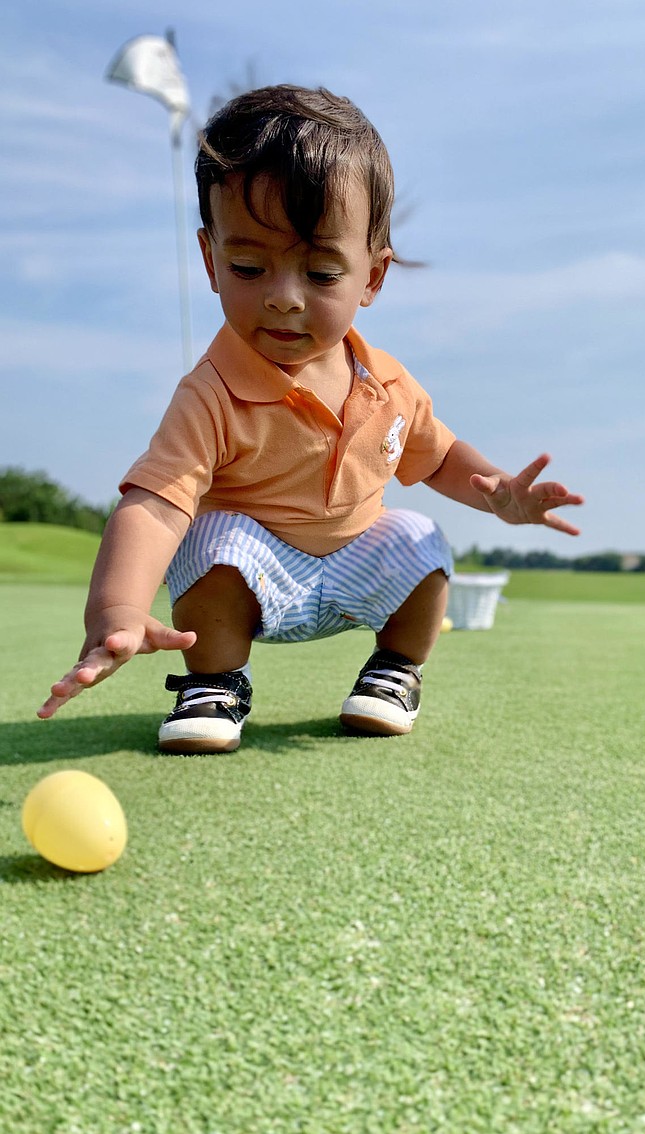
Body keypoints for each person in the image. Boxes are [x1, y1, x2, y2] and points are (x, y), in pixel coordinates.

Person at [38, 85, 583, 753]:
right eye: (248, 266)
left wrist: (500, 494)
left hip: (354, 569)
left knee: (423, 541)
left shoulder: (386, 381)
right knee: (212, 543)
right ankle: (215, 683)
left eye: (322, 273)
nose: (284, 299)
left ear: (372, 278)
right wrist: (116, 611)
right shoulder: (211, 392)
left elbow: (437, 457)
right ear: (210, 261)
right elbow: (155, 505)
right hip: (254, 576)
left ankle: (393, 671)